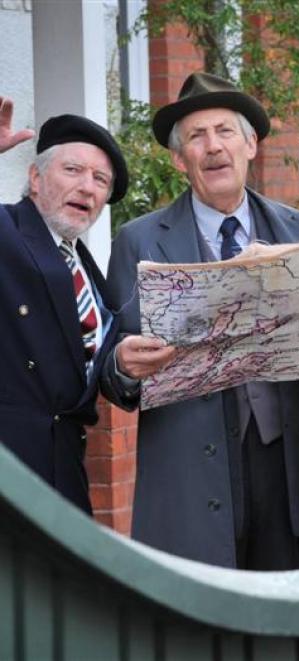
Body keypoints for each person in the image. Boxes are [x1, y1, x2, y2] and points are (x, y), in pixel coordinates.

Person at [101, 72, 299, 570]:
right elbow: (113, 369)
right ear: (178, 157)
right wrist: (124, 365)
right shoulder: (138, 241)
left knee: (289, 624)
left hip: (290, 462)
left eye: (225, 132)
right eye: (196, 137)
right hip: (192, 469)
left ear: (251, 144)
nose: (213, 147)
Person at [0, 96, 128, 514]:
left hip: (65, 480)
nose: (87, 187)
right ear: (35, 179)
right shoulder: (6, 231)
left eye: (100, 180)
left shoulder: (91, 274)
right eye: (72, 170)